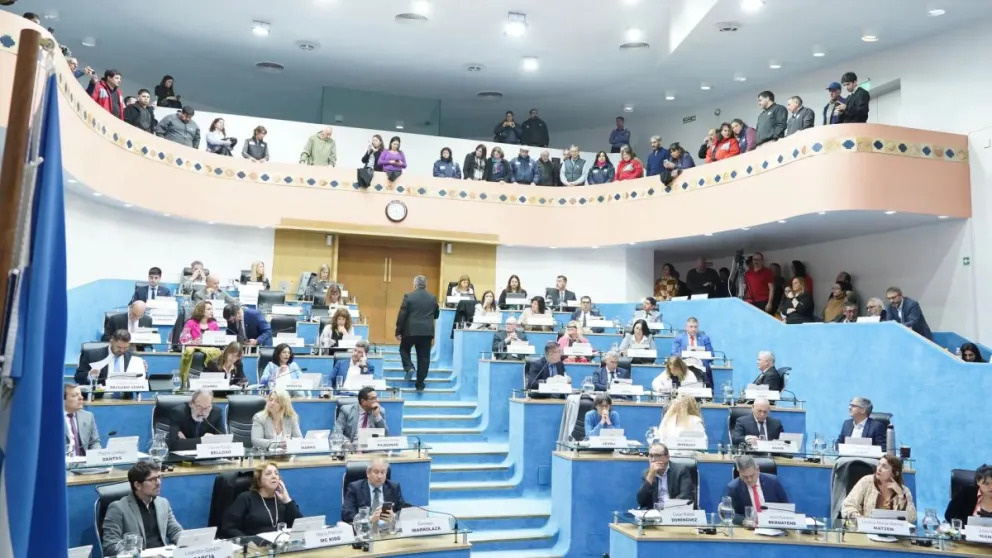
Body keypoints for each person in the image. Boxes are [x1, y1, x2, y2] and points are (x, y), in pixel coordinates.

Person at [101, 462, 183, 556]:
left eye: (159, 477)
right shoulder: (118, 508)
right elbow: (110, 545)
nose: (158, 483)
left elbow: (175, 531)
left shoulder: (163, 503)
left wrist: (187, 542)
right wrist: (135, 553)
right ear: (137, 485)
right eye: (153, 479)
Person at [221, 462, 302, 538]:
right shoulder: (246, 498)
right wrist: (247, 542)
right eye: (268, 474)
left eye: (276, 473)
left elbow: (299, 528)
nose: (274, 476)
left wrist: (287, 500)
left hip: (280, 546)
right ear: (259, 481)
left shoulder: (283, 501)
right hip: (254, 547)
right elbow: (229, 528)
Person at [395, 275, 439, 391]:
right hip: (426, 332)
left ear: (414, 284)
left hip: (410, 330)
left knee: (404, 349)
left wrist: (398, 330)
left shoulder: (409, 296)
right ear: (425, 285)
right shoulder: (432, 298)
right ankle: (420, 384)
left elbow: (402, 315)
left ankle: (409, 367)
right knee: (424, 358)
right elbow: (437, 315)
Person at [842, 455, 916, 521]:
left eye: (884, 467)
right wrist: (857, 517)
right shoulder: (866, 481)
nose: (879, 469)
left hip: (893, 533)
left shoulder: (904, 491)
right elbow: (848, 505)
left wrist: (901, 495)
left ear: (895, 473)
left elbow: (911, 518)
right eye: (879, 464)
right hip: (867, 530)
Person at [342, 458, 406, 524]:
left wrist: (394, 516)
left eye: (383, 472)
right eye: (376, 472)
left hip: (387, 529)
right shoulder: (355, 488)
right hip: (365, 530)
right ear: (368, 473)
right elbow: (347, 515)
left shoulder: (394, 487)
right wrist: (369, 519)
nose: (379, 476)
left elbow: (403, 511)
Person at [637, 443, 697, 509]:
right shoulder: (647, 473)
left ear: (667, 457)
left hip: (675, 511)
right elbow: (641, 501)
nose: (653, 459)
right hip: (654, 513)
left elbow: (686, 496)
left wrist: (665, 507)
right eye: (651, 456)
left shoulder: (681, 470)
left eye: (657, 456)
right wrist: (651, 475)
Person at [724, 455, 791, 515]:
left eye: (752, 475)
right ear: (739, 473)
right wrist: (746, 521)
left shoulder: (773, 481)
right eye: (745, 477)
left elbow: (786, 507)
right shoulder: (733, 488)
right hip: (749, 526)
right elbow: (731, 514)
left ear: (757, 469)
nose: (749, 480)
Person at [74, 330, 143, 386]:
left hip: (125, 399)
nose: (122, 351)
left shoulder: (134, 358)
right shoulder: (92, 355)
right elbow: (78, 377)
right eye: (119, 347)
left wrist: (143, 370)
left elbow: (141, 380)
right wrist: (89, 375)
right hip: (98, 398)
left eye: (125, 348)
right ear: (111, 342)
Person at [670, 317, 714, 387]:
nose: (693, 329)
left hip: (700, 362)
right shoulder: (679, 338)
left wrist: (700, 360)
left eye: (695, 327)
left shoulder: (705, 338)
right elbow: (674, 353)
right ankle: (677, 388)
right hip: (684, 362)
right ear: (686, 327)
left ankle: (709, 391)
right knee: (674, 366)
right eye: (691, 327)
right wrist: (686, 357)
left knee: (707, 367)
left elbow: (711, 354)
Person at [64, 384, 101, 456]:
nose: (81, 397)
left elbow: (95, 442)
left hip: (85, 464)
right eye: (75, 395)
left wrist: (95, 459)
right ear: (63, 400)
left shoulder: (88, 416)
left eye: (80, 394)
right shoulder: (53, 420)